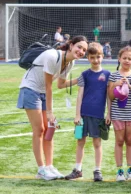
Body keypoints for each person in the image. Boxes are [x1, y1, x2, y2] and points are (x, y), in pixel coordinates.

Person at [17, 36, 88, 180]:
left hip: (42, 93)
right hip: (30, 90)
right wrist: (50, 112)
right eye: (79, 47)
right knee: (39, 130)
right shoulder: (52, 56)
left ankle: (49, 166)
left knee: (50, 130)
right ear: (71, 45)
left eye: (84, 50)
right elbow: (49, 86)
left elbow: (60, 85)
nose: (81, 51)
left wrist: (80, 79)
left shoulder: (69, 63)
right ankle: (41, 170)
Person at [64, 42, 111, 182]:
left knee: (97, 143)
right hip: (83, 115)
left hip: (98, 115)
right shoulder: (84, 75)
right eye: (92, 57)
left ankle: (97, 170)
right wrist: (77, 114)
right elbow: (79, 95)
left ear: (102, 56)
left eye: (98, 57)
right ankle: (78, 169)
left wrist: (109, 113)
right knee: (80, 142)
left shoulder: (107, 75)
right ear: (88, 58)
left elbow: (109, 96)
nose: (95, 60)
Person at [107, 46, 131, 181]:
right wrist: (116, 84)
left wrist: (130, 86)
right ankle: (119, 171)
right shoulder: (114, 75)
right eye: (124, 58)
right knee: (119, 141)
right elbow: (110, 97)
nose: (127, 61)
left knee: (129, 141)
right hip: (117, 114)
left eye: (130, 58)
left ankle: (130, 170)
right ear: (119, 59)